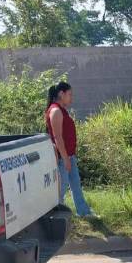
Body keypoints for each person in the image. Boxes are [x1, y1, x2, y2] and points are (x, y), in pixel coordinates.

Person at [45, 81, 96, 218]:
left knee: (76, 186)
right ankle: (58, 217)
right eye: (69, 94)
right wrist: (66, 159)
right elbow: (58, 138)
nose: (71, 98)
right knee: (61, 190)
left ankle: (83, 212)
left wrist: (70, 157)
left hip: (69, 156)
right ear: (61, 94)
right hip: (63, 158)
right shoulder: (55, 111)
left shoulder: (61, 110)